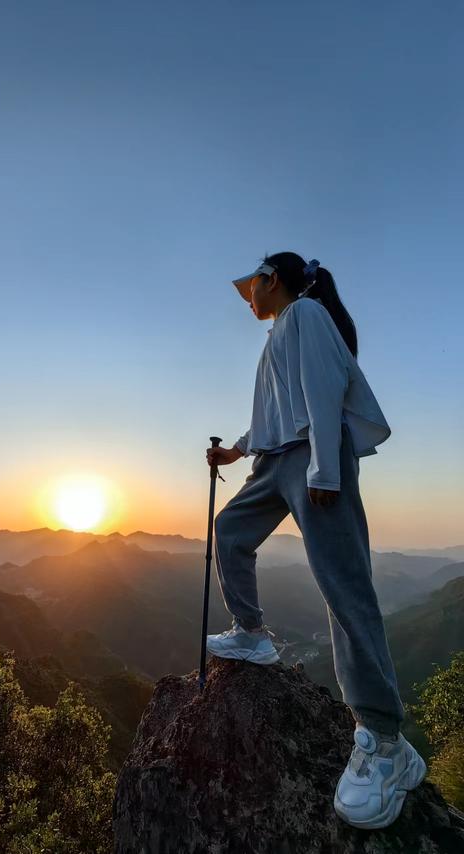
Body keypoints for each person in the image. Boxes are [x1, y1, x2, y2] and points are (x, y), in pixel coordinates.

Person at [205, 252, 426, 830]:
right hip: (276, 462)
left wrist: (326, 468)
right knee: (230, 529)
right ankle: (252, 634)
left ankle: (385, 743)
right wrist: (235, 450)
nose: (245, 297)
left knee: (342, 584)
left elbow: (323, 390)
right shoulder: (281, 332)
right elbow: (278, 412)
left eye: (249, 286)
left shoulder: (305, 315)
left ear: (270, 278)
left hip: (309, 462)